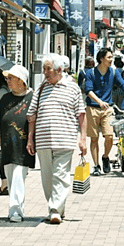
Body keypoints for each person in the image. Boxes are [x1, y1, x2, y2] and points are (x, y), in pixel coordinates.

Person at [26, 54, 87, 225]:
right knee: (47, 178)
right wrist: (30, 139)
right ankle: (58, 207)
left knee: (60, 175)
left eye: (48, 69)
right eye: (44, 69)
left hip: (65, 139)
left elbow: (81, 114)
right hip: (43, 140)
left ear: (60, 70)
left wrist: (83, 139)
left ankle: (54, 210)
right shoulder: (41, 88)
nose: (45, 72)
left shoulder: (73, 88)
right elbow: (32, 116)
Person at [84, 48, 124, 176]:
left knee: (110, 137)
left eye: (111, 57)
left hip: (108, 109)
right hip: (92, 109)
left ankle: (105, 157)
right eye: (109, 57)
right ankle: (96, 166)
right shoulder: (90, 73)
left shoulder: (113, 72)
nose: (112, 60)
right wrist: (99, 101)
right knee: (94, 139)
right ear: (101, 59)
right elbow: (88, 91)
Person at [0, 65, 35, 222]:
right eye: (7, 78)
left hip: (23, 145)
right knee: (11, 178)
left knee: (17, 176)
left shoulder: (32, 98)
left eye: (11, 78)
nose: (7, 81)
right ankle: (18, 208)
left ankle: (15, 211)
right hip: (7, 145)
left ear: (21, 81)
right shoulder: (5, 98)